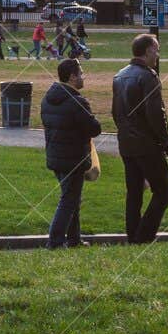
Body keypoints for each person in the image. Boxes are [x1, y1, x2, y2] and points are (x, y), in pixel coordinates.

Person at [111, 32, 168, 244]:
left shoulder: (119, 75)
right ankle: (143, 237)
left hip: (126, 143)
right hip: (147, 143)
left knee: (135, 192)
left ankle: (133, 235)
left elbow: (115, 112)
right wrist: (165, 143)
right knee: (162, 193)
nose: (157, 54)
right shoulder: (149, 76)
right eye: (156, 50)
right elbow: (156, 114)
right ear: (148, 51)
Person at [42, 58, 102, 248]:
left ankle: (74, 239)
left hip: (56, 156)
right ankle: (55, 242)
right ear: (72, 76)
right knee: (69, 201)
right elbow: (94, 128)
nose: (83, 77)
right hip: (73, 159)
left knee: (72, 198)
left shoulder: (48, 99)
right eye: (81, 73)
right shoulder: (77, 102)